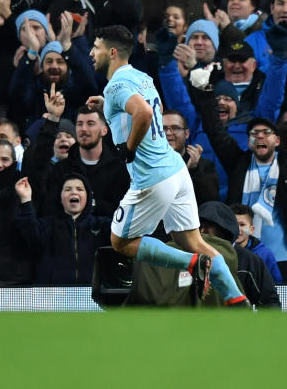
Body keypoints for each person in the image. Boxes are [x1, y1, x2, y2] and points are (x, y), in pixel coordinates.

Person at [87, 25, 246, 305]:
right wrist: (108, 107)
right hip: (176, 169)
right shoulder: (142, 78)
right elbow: (155, 109)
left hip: (152, 175)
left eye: (96, 46)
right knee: (194, 241)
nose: (91, 52)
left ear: (112, 52)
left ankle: (192, 264)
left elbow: (145, 113)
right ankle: (238, 300)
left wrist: (129, 148)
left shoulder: (116, 86)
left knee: (120, 242)